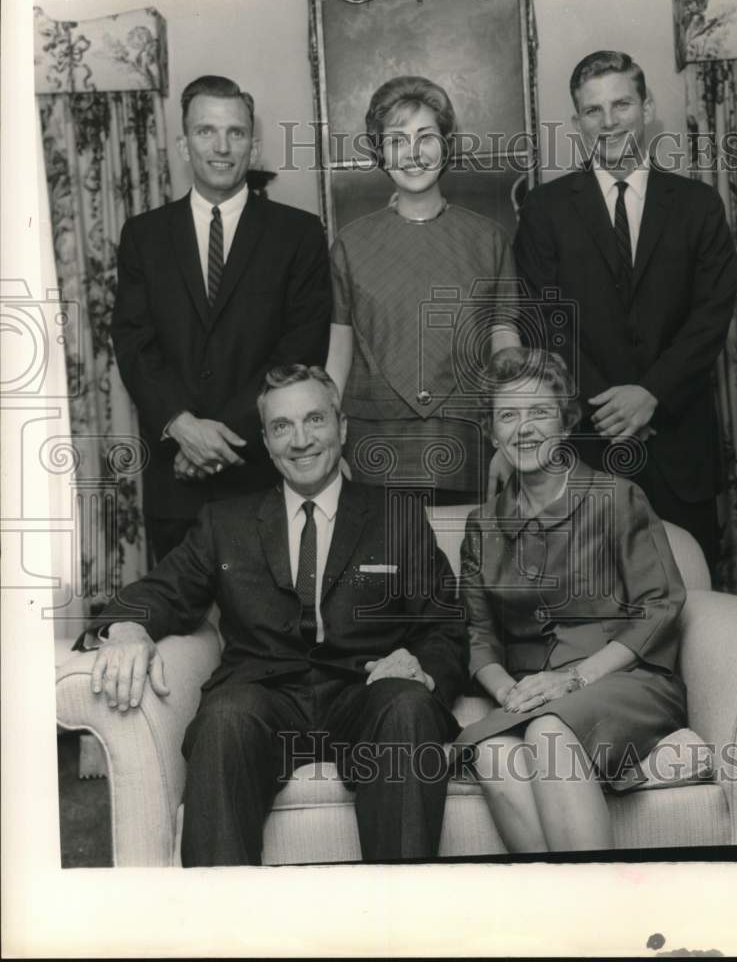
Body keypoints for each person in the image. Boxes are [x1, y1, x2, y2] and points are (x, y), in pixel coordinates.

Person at [78, 365, 469, 866]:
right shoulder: (226, 522)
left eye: (315, 420)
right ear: (266, 440)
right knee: (223, 717)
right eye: (283, 426)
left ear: (342, 427)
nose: (301, 440)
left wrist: (423, 669)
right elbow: (163, 589)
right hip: (264, 701)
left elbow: (444, 627)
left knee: (409, 706)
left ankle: (397, 927)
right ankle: (223, 936)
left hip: (365, 695)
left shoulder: (398, 518)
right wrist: (128, 626)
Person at [495, 51, 737, 570]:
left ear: (647, 107)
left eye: (622, 104)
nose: (609, 122)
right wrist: (610, 409)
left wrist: (652, 394)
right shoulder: (545, 208)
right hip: (587, 449)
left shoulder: (698, 205)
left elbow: (712, 315)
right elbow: (544, 318)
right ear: (576, 121)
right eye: (593, 110)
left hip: (679, 448)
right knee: (594, 609)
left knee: (690, 603)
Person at [457, 347, 686, 852]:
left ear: (564, 422)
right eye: (508, 416)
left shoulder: (618, 497)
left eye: (539, 412)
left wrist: (574, 678)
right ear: (493, 433)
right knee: (493, 750)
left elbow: (659, 606)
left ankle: (594, 918)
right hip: (534, 693)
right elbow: (478, 638)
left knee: (548, 735)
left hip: (624, 679)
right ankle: (563, 919)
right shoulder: (482, 525)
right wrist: (508, 693)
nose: (525, 428)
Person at [112, 75, 331, 562]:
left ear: (253, 146)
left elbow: (300, 350)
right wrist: (183, 427)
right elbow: (133, 342)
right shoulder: (143, 236)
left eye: (235, 133)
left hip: (261, 473)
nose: (221, 146)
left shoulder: (298, 234)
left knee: (268, 632)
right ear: (183, 143)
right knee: (178, 633)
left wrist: (213, 440)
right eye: (206, 131)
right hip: (174, 480)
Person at [326, 75, 518, 504]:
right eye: (396, 139)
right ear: (380, 151)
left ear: (446, 145)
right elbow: (338, 355)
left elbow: (505, 344)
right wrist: (329, 444)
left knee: (465, 564)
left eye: (426, 137)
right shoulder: (350, 244)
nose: (412, 153)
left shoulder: (488, 238)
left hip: (470, 443)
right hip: (372, 451)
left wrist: (512, 440)